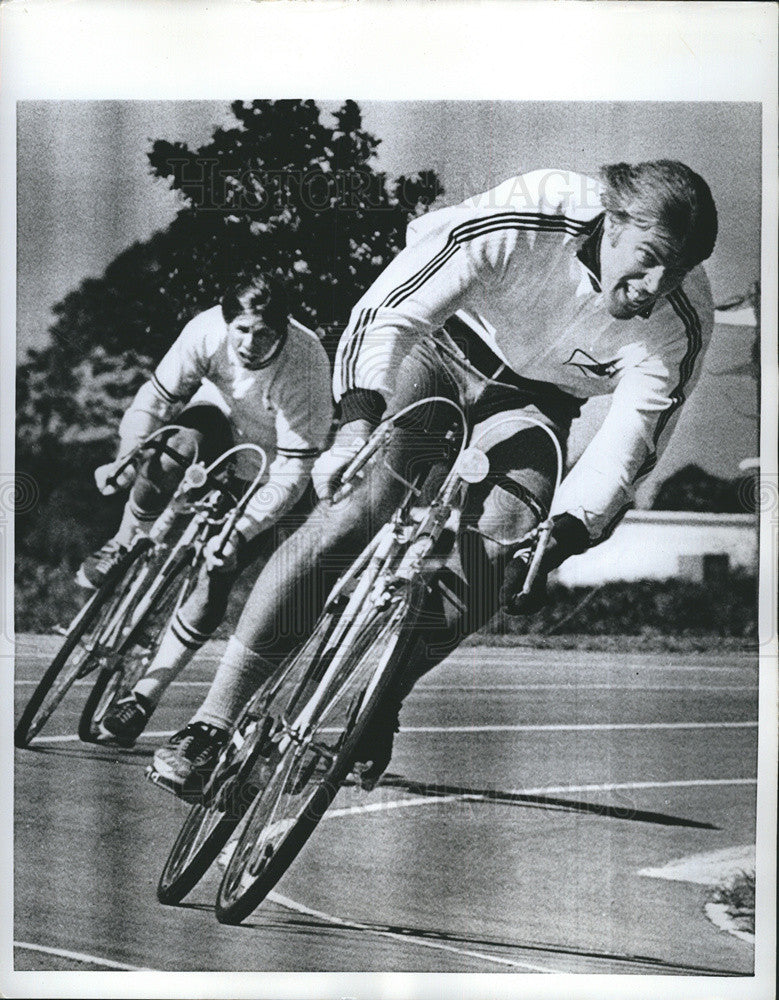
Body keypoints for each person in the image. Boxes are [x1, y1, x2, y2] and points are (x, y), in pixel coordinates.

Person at [150, 160, 717, 797]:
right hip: (443, 346)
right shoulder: (535, 211)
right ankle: (211, 723)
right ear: (610, 223)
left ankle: (381, 697)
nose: (657, 286)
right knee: (359, 507)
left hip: (536, 402)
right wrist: (358, 421)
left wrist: (565, 532)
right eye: (650, 258)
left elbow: (629, 447)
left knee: (498, 552)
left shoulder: (684, 321)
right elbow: (392, 312)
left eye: (680, 271)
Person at [77, 273, 333, 746]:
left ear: (284, 329)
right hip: (218, 424)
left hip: (272, 467)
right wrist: (126, 456)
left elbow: (292, 477)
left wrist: (237, 533)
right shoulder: (205, 331)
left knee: (217, 570)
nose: (250, 343)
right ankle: (124, 541)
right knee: (172, 447)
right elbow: (153, 400)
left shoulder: (307, 365)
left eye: (264, 333)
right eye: (241, 329)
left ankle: (145, 695)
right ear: (226, 321)